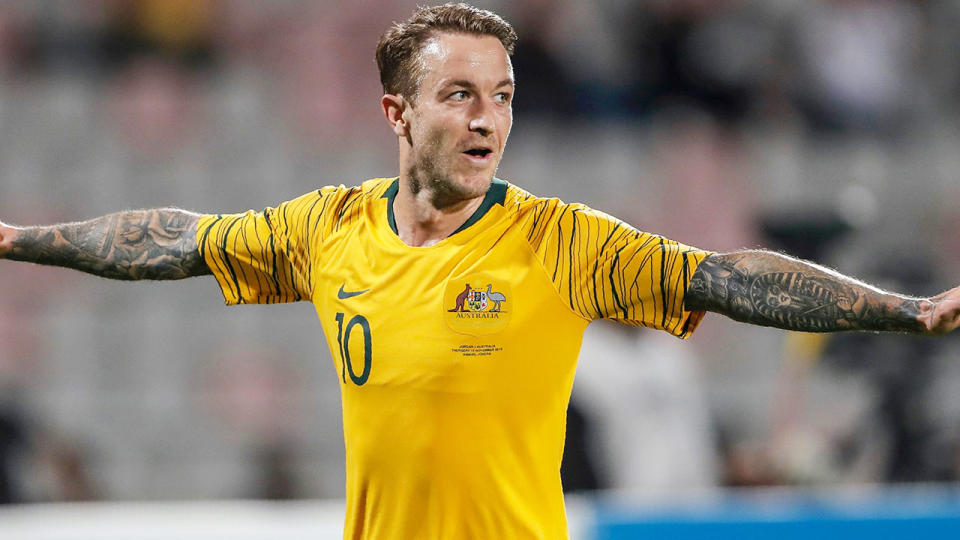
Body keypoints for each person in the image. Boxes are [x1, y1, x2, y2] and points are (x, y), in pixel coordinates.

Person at [0, 3, 958, 539]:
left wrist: (903, 311)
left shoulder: (560, 242)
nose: (487, 120)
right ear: (395, 114)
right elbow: (171, 239)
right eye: (458, 95)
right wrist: (21, 240)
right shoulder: (327, 229)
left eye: (501, 96)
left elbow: (724, 277)